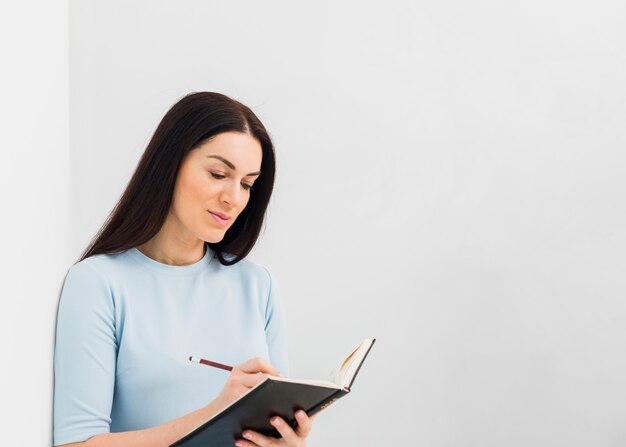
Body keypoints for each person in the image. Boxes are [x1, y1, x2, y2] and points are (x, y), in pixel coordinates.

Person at [53, 92, 315, 447]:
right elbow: (77, 444)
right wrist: (216, 413)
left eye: (247, 184)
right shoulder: (98, 284)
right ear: (170, 164)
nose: (234, 198)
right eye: (218, 173)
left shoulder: (258, 285)